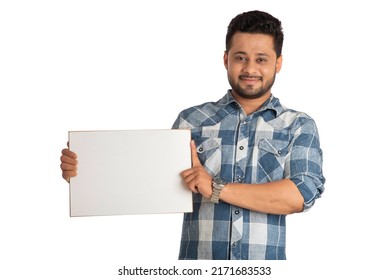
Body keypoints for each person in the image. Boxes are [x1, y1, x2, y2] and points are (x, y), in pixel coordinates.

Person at [60, 10, 325, 260]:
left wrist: (216, 188)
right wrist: (86, 173)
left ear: (278, 63)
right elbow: (150, 183)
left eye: (262, 59)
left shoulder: (299, 125)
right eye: (240, 57)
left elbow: (301, 195)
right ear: (226, 60)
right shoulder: (192, 120)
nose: (250, 69)